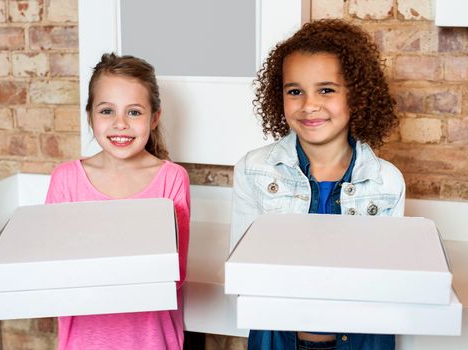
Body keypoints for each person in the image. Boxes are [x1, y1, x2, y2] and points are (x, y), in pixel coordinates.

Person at [230, 19, 405, 350]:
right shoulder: (254, 171)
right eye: (295, 91)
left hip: (363, 342)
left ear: (357, 95)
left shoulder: (386, 183)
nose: (309, 105)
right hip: (276, 340)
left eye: (326, 89)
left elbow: (385, 284)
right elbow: (243, 274)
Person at [45, 53, 190, 350]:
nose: (120, 124)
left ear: (154, 118)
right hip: (83, 343)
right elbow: (53, 272)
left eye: (134, 112)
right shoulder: (66, 180)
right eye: (107, 111)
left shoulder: (172, 178)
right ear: (90, 116)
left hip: (152, 342)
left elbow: (175, 276)